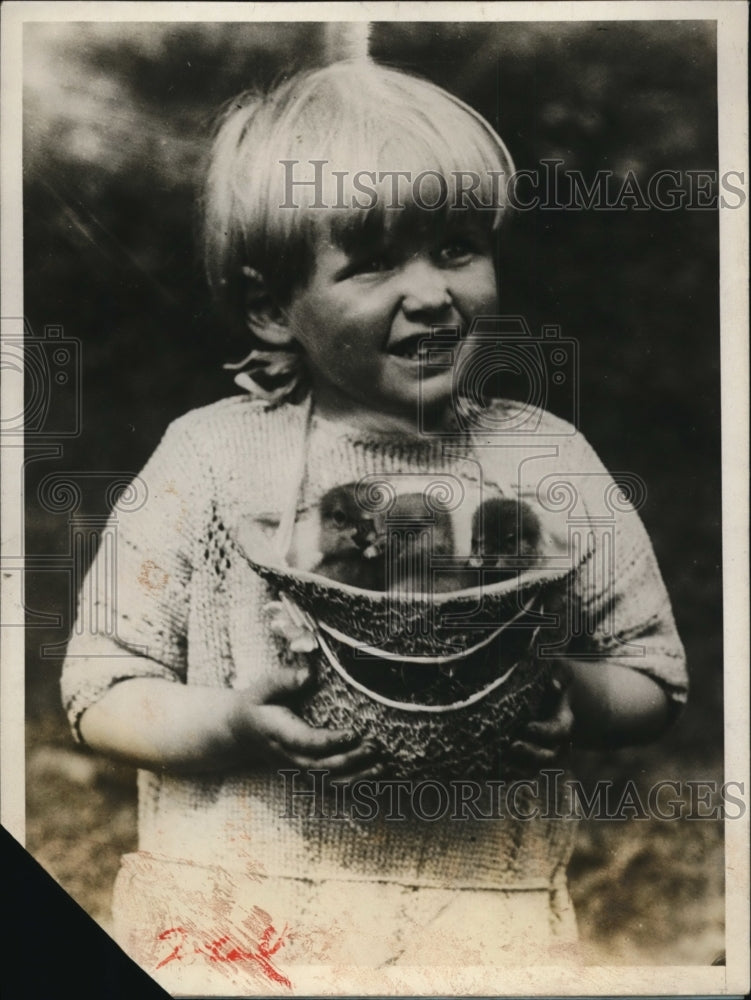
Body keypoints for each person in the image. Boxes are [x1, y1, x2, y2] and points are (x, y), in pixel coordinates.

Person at [61, 59, 688, 995]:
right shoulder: (210, 459)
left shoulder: (545, 460)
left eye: (456, 246)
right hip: (238, 925)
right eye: (372, 262)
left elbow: (654, 674)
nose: (431, 292)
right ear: (272, 307)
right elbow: (101, 686)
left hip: (473, 925)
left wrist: (566, 695)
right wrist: (231, 721)